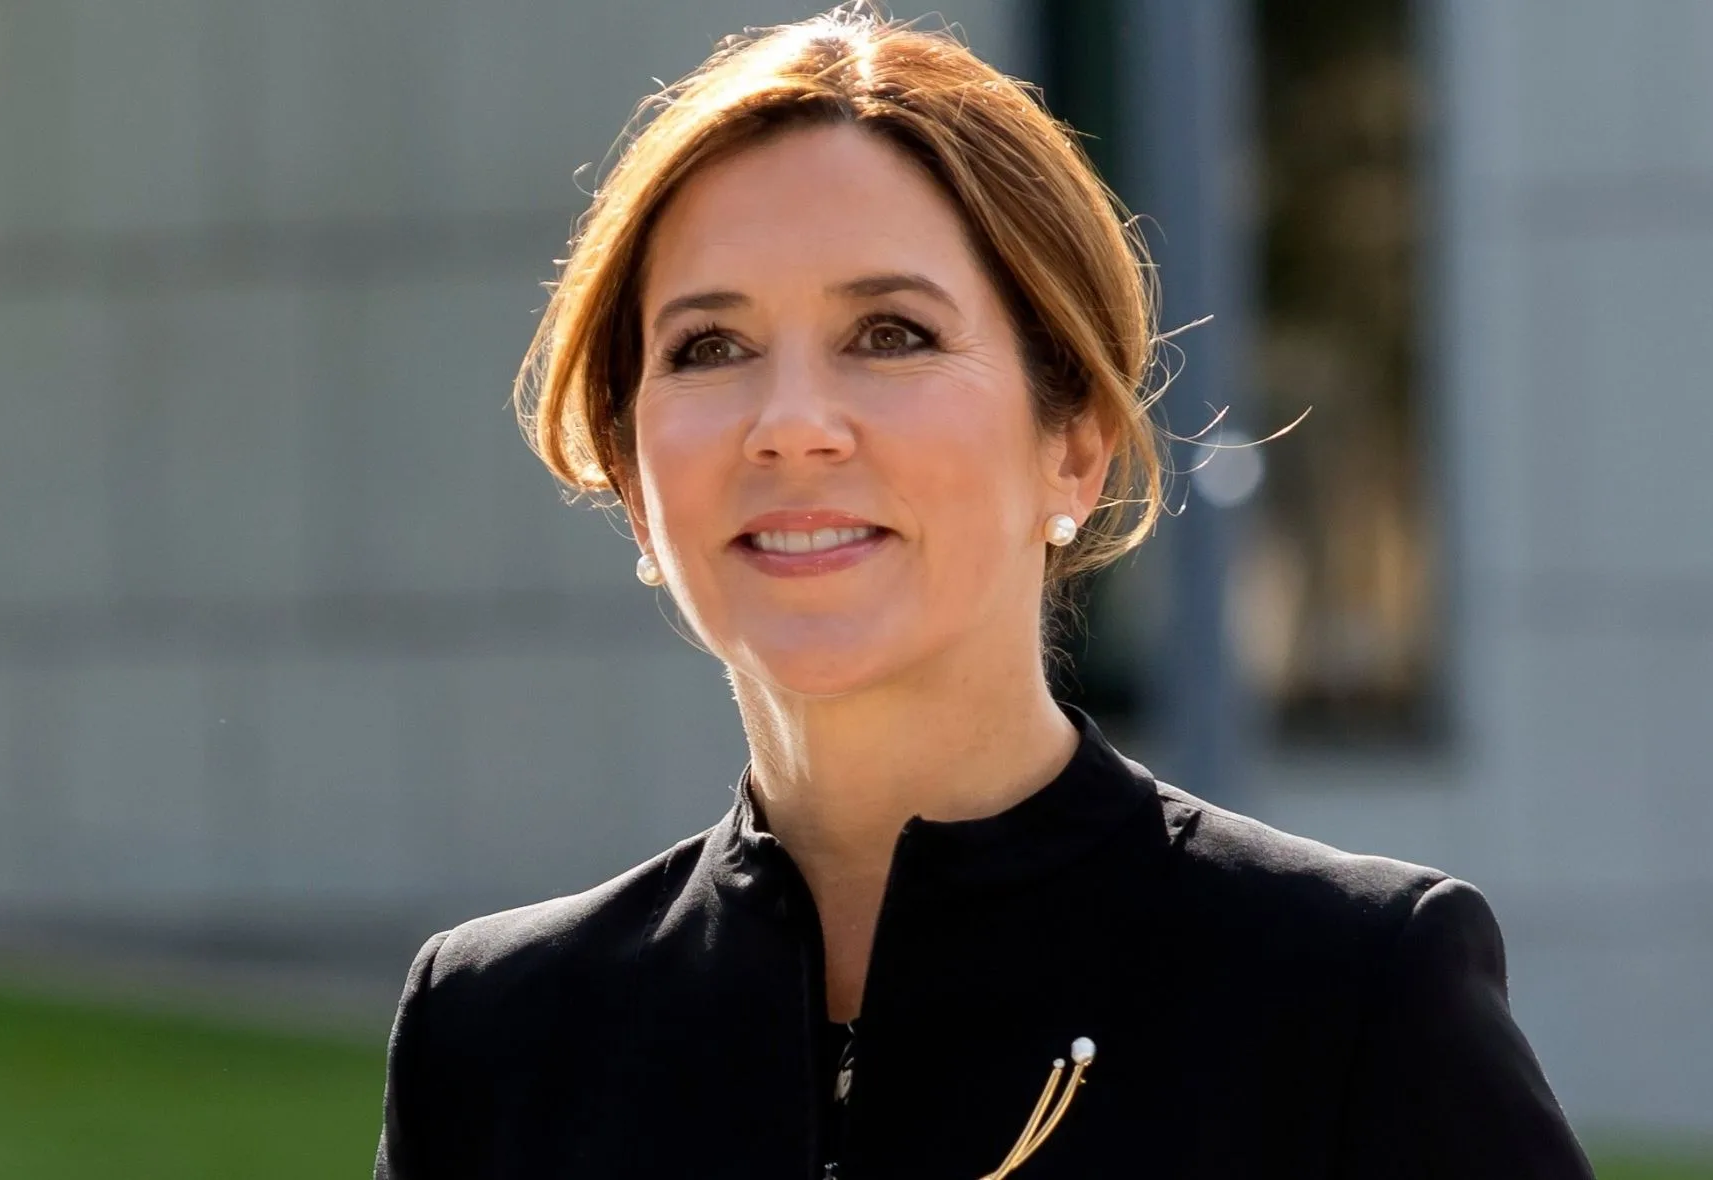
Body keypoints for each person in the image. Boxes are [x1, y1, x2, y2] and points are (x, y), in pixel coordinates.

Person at [373, 7, 1596, 1178]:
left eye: (891, 333)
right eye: (709, 348)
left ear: (1074, 444)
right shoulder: (491, 1037)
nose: (791, 424)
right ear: (637, 485)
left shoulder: (1351, 996)